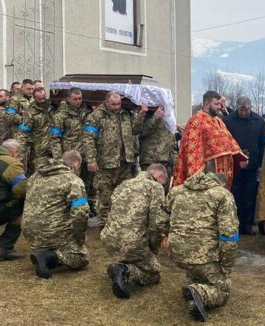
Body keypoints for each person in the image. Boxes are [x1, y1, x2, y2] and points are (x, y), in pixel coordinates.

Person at [164, 171, 238, 322]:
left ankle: (191, 285)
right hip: (204, 257)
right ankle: (200, 293)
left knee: (196, 272)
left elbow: (160, 220)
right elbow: (229, 235)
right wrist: (227, 264)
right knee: (222, 289)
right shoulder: (223, 195)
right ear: (222, 184)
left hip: (177, 253)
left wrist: (168, 239)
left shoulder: (176, 191)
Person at [102, 164, 169, 299]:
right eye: (164, 182)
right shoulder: (155, 188)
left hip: (108, 239)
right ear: (160, 176)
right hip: (133, 244)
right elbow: (155, 224)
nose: (163, 185)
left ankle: (122, 264)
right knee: (154, 273)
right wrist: (154, 250)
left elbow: (110, 211)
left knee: (135, 253)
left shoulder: (123, 185)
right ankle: (126, 271)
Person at [23, 150, 91, 279]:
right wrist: (80, 238)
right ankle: (49, 257)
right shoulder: (73, 181)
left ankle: (44, 252)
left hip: (30, 233)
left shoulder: (35, 176)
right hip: (52, 232)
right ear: (76, 164)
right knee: (82, 258)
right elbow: (80, 213)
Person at [83, 91, 147, 226]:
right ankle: (104, 228)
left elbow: (135, 130)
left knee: (124, 195)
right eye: (114, 104)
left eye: (119, 104)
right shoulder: (96, 116)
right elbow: (88, 138)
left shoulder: (125, 115)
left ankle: (121, 226)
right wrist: (91, 160)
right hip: (106, 164)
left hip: (125, 163)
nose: (117, 107)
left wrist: (141, 114)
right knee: (105, 198)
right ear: (106, 102)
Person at [173, 90, 246, 190]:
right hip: (208, 173)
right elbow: (191, 150)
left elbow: (230, 143)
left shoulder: (218, 121)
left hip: (223, 174)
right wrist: (196, 175)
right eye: (216, 104)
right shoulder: (196, 121)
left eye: (220, 104)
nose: (220, 107)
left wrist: (240, 158)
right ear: (207, 103)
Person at [223, 96, 265, 235]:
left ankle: (247, 225)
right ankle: (235, 223)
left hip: (252, 165)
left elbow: (262, 144)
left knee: (249, 195)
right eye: (241, 110)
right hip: (234, 165)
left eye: (246, 110)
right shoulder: (228, 121)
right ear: (237, 108)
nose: (243, 113)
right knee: (235, 195)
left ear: (250, 108)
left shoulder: (259, 121)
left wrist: (260, 164)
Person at [54, 88, 96, 214]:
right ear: (68, 99)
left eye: (80, 99)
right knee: (73, 185)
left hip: (87, 155)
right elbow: (55, 138)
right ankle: (71, 210)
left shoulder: (88, 112)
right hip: (71, 157)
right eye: (75, 99)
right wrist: (58, 159)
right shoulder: (60, 116)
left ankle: (88, 209)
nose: (78, 101)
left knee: (88, 184)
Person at [15, 87, 60, 174]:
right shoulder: (30, 112)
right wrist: (20, 151)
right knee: (39, 173)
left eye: (44, 98)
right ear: (34, 98)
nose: (43, 101)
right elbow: (23, 133)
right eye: (40, 99)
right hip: (39, 149)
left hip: (55, 148)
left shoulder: (53, 106)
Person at [138, 106, 172, 182]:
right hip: (150, 160)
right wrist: (156, 117)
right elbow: (140, 131)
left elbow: (171, 140)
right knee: (150, 190)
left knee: (164, 191)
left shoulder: (168, 117)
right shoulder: (145, 113)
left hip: (166, 161)